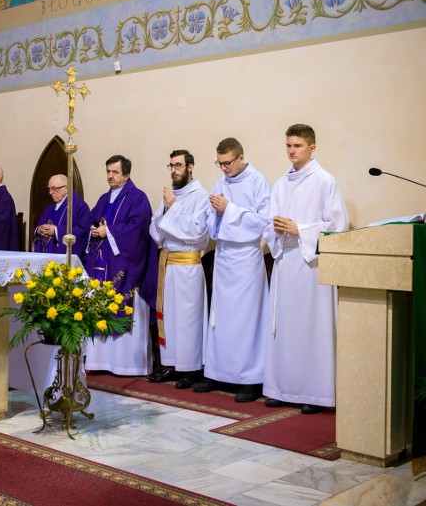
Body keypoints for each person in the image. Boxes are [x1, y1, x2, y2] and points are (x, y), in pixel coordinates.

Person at [262, 124, 349, 414]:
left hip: (310, 264)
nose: (291, 151)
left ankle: (314, 393)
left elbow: (338, 226)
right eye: (288, 145)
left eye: (297, 146)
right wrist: (276, 229)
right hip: (286, 262)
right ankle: (283, 388)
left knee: (310, 329)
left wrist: (301, 229)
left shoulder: (325, 181)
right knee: (284, 328)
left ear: (312, 148)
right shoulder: (280, 183)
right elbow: (269, 221)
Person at [193, 138, 271, 403]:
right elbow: (209, 216)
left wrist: (230, 209)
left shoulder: (258, 181)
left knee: (246, 319)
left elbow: (262, 221)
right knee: (221, 318)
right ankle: (218, 372)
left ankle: (250, 379)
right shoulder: (222, 182)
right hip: (225, 255)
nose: (224, 169)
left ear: (240, 158)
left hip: (247, 257)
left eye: (227, 163)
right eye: (220, 163)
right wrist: (216, 213)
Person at [85, 155, 157, 376]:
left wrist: (110, 232)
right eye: (108, 171)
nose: (110, 176)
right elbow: (92, 220)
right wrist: (94, 230)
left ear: (126, 174)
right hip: (103, 263)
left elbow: (138, 229)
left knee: (123, 304)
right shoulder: (104, 198)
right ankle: (100, 361)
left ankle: (128, 365)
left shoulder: (138, 198)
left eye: (115, 172)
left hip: (125, 265)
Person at [147, 150, 210, 388]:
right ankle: (171, 364)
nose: (174, 170)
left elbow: (197, 232)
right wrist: (165, 209)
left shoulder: (201, 196)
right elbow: (155, 230)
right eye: (171, 165)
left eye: (179, 165)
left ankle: (191, 369)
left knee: (188, 319)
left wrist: (172, 208)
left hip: (188, 266)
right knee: (170, 317)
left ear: (190, 167)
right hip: (168, 264)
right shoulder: (169, 195)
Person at [32, 174, 92, 258]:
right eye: (49, 189)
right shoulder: (49, 208)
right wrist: (39, 230)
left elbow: (83, 232)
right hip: (45, 258)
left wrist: (56, 231)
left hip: (64, 260)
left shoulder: (79, 206)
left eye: (54, 188)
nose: (50, 192)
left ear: (66, 189)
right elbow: (39, 225)